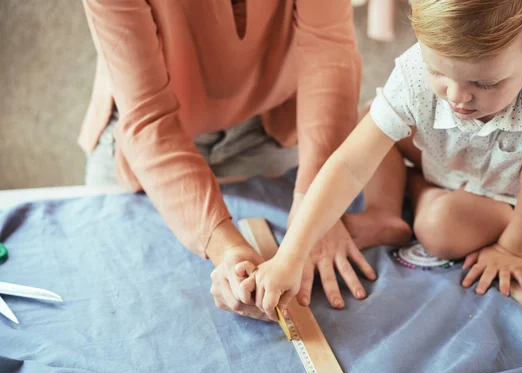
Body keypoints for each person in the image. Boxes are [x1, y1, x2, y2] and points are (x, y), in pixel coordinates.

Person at [248, 0, 522, 321]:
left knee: (439, 228)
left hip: (515, 197)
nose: (457, 96)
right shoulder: (415, 72)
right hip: (451, 158)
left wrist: (511, 250)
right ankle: (385, 212)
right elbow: (349, 164)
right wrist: (289, 255)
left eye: (484, 82)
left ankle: (419, 191)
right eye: (438, 72)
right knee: (366, 121)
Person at [79, 1, 382, 321]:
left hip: (264, 126)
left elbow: (328, 54)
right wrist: (228, 251)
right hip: (145, 141)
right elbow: (148, 118)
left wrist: (315, 207)